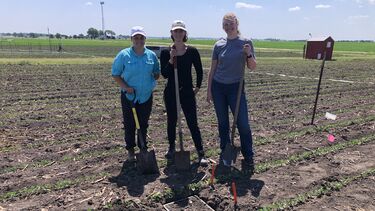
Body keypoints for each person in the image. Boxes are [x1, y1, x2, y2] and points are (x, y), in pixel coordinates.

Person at [206, 13, 257, 167]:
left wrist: (248, 54)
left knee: (242, 123)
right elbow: (213, 68)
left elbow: (252, 67)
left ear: (237, 24)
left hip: (236, 87)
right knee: (223, 123)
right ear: (223, 27)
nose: (228, 26)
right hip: (218, 87)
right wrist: (209, 90)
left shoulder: (246, 43)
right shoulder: (218, 45)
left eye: (231, 23)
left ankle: (248, 154)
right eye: (225, 24)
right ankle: (225, 151)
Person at [160, 20, 208, 165]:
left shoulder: (192, 51)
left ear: (185, 33)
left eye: (181, 31)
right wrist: (170, 59)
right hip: (171, 92)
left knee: (192, 122)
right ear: (171, 33)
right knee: (171, 121)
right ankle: (171, 148)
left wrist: (197, 87)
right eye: (176, 31)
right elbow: (165, 74)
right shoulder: (165, 52)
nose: (178, 34)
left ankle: (200, 153)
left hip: (187, 92)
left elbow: (199, 71)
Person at [112, 26, 160, 162]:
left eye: (141, 37)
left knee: (143, 123)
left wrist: (155, 75)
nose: (139, 40)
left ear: (145, 39)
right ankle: (131, 150)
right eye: (136, 37)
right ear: (132, 39)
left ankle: (143, 147)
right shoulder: (124, 55)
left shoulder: (151, 55)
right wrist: (126, 87)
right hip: (129, 96)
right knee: (129, 123)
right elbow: (115, 74)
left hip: (146, 96)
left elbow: (156, 73)